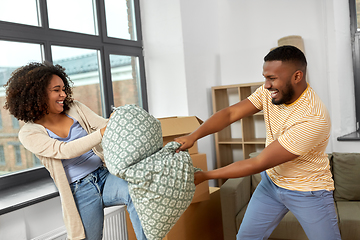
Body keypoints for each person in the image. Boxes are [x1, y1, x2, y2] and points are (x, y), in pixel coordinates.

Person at [175, 45, 341, 240]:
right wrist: (193, 136)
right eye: (265, 77)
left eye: (272, 78)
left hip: (308, 191)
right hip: (271, 184)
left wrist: (205, 176)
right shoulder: (270, 92)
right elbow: (230, 113)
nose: (267, 84)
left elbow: (258, 162)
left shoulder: (313, 118)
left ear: (297, 76)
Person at [4, 62, 147, 240]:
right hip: (79, 190)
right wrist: (102, 133)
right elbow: (65, 151)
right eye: (56, 90)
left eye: (64, 89)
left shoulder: (75, 108)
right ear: (38, 95)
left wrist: (119, 120)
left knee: (137, 193)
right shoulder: (28, 133)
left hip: (104, 176)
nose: (63, 94)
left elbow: (103, 125)